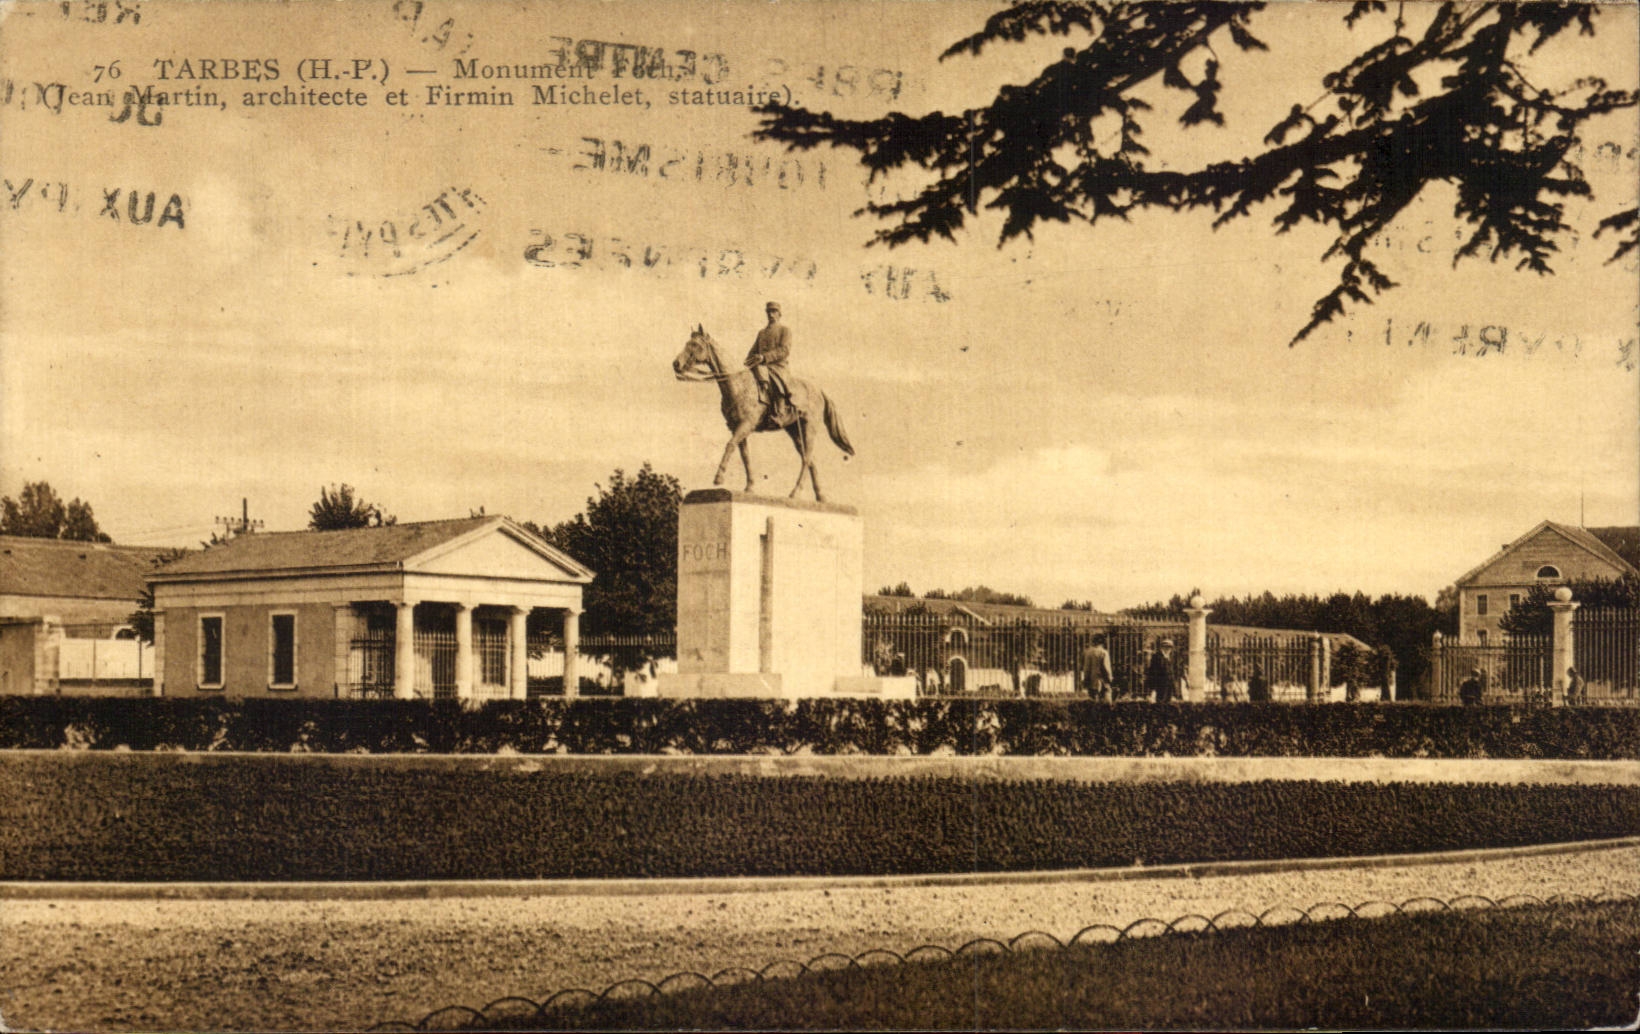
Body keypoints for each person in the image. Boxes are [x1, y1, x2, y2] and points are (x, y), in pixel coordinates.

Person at [745, 300, 792, 416]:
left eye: (774, 312)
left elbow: (784, 350)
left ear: (779, 314)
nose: (771, 314)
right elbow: (753, 351)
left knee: (770, 376)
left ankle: (780, 408)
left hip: (777, 366)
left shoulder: (784, 330)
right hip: (760, 365)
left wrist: (764, 357)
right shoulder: (761, 333)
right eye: (769, 312)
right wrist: (748, 361)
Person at [1080, 634, 1114, 701]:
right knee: (1106, 704)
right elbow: (1106, 668)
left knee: (1093, 703)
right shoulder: (1104, 652)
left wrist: (1086, 679)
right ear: (1102, 643)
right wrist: (1109, 678)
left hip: (1091, 681)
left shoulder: (1087, 652)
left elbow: (1085, 668)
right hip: (1102, 681)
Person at [1145, 639, 1177, 703]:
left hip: (1169, 684)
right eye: (1166, 647)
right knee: (1160, 702)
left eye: (1170, 648)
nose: (1168, 649)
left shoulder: (1170, 657)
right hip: (1160, 684)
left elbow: (1172, 672)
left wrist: (1173, 686)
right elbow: (1153, 672)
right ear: (1162, 648)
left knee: (1168, 702)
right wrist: (1153, 687)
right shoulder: (1156, 656)